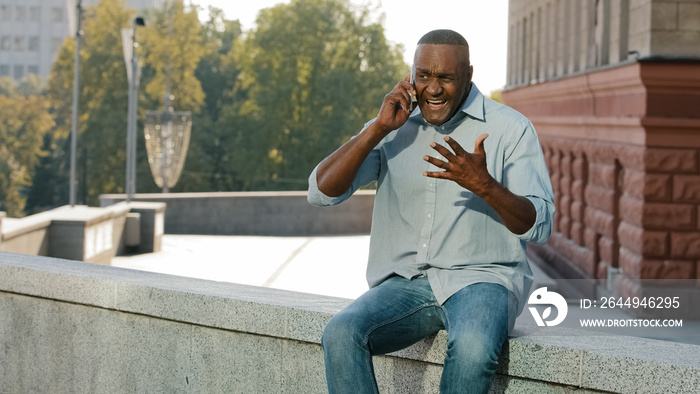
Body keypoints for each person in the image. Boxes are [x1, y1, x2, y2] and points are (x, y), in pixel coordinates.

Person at [307, 29, 555, 394]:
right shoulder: (393, 124)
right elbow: (320, 192)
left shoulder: (511, 129)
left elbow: (541, 225)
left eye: (445, 78)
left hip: (484, 280)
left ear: (468, 75)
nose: (433, 88)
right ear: (411, 76)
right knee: (341, 333)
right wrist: (377, 129)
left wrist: (484, 184)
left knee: (472, 348)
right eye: (424, 76)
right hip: (403, 283)